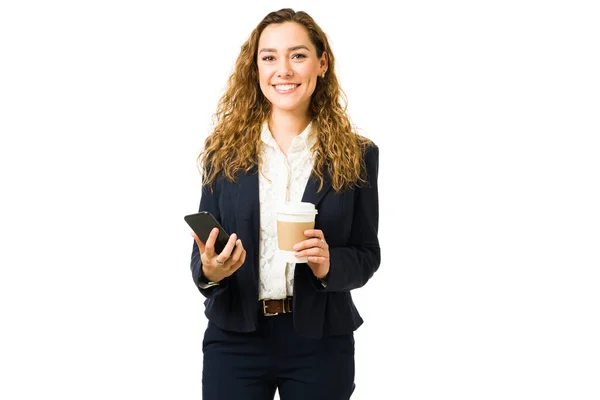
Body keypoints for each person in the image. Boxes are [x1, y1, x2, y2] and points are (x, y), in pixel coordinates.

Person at [189, 8, 380, 400]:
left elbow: (366, 254)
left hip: (321, 339)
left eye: (298, 55)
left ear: (321, 63)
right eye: (269, 57)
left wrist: (329, 265)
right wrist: (211, 268)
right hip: (235, 337)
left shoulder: (358, 155)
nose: (283, 70)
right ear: (256, 68)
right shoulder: (223, 153)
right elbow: (201, 265)